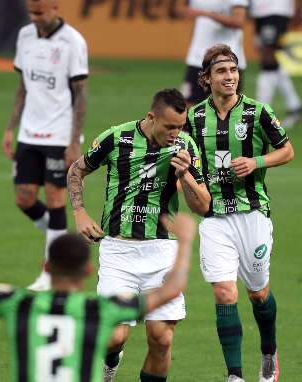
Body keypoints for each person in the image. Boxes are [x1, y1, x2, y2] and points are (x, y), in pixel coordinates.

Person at [0, 206, 196, 382]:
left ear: (45, 266)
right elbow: (171, 289)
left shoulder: (20, 303)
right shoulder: (100, 310)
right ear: (88, 270)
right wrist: (184, 242)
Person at [67, 89, 210, 382]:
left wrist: (185, 177)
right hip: (119, 251)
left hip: (162, 252)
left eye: (180, 127)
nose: (175, 133)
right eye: (169, 126)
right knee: (114, 336)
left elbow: (203, 205)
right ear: (151, 117)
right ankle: (111, 360)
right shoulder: (117, 138)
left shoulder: (185, 146)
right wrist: (79, 211)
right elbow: (76, 170)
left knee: (161, 339)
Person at [184, 44, 295, 382]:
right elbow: (183, 164)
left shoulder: (257, 112)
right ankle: (234, 374)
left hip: (252, 214)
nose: (230, 77)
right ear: (207, 78)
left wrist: (256, 161)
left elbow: (288, 150)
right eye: (222, 72)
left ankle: (269, 352)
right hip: (215, 217)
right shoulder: (192, 118)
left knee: (258, 293)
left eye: (233, 71)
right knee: (224, 292)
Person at [2, 0, 89, 291]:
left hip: (58, 133)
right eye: (31, 12)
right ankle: (61, 236)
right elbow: (23, 86)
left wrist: (74, 140)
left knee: (54, 199)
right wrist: (10, 128)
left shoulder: (73, 42)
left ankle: (51, 272)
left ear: (55, 8)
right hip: (29, 131)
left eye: (39, 12)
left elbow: (81, 93)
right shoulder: (25, 36)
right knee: (24, 198)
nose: (35, 18)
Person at [238, 0, 302, 128]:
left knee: (268, 57)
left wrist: (301, 5)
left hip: (279, 5)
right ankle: (295, 106)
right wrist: (242, 2)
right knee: (268, 57)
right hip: (258, 6)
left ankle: (260, 115)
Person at [180, 0, 249, 106]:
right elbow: (196, 20)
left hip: (227, 60)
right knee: (187, 115)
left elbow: (239, 21)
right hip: (197, 59)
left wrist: (207, 14)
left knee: (226, 116)